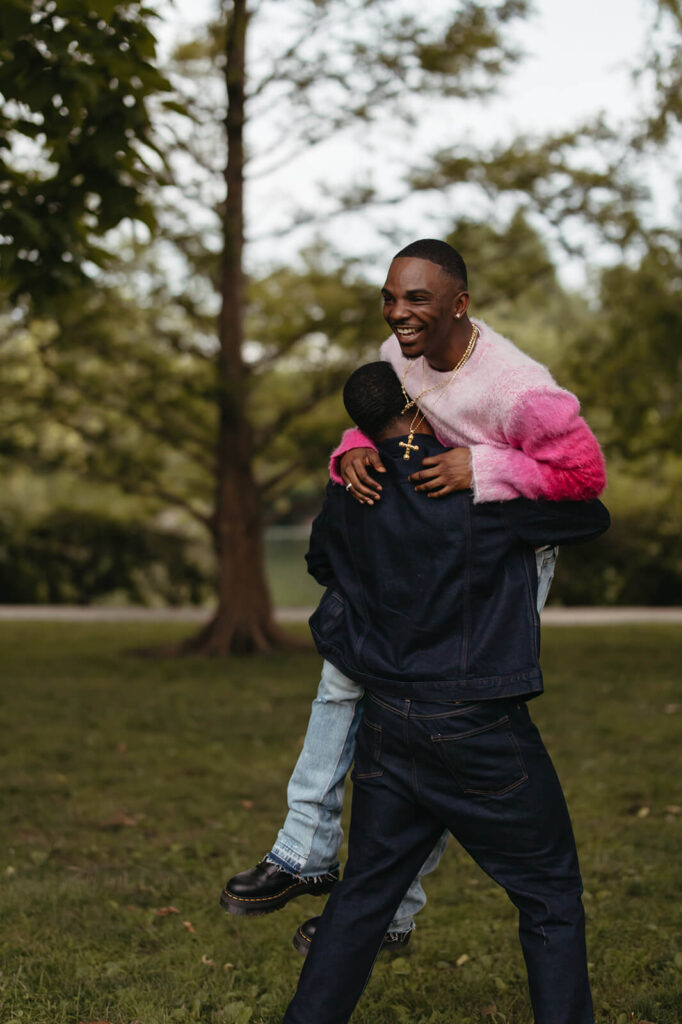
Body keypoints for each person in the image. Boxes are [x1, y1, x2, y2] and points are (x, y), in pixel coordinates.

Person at [220, 239, 606, 944]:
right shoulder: (396, 350)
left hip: (501, 560)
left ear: (459, 303)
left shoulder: (518, 388)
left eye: (417, 299)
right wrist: (352, 450)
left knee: (439, 724)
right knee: (343, 682)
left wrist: (483, 468)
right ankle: (302, 851)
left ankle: (392, 915)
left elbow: (582, 479)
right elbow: (388, 422)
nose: (399, 313)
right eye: (390, 297)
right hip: (425, 547)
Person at [280, 360, 609, 1024]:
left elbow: (322, 563)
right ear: (417, 399)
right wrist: (490, 465)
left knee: (365, 895)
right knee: (548, 894)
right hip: (474, 723)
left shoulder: (352, 490)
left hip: (387, 719)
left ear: (360, 428)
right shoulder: (469, 484)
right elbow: (589, 515)